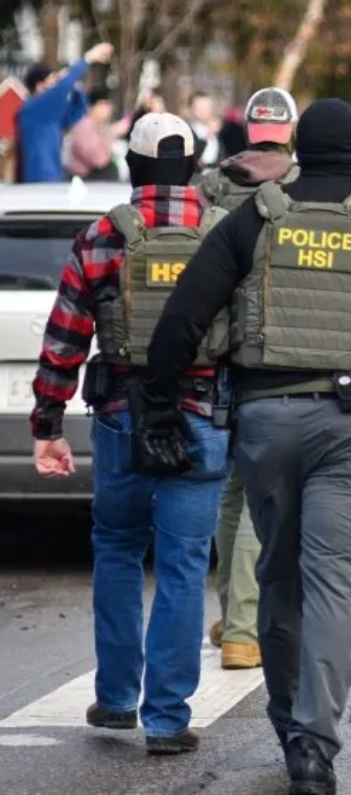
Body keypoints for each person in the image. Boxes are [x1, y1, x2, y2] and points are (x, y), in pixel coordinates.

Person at [141, 98, 351, 795]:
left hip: (266, 422)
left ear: (300, 150)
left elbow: (185, 314)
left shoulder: (256, 218)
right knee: (335, 583)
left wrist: (161, 403)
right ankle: (313, 746)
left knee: (280, 575)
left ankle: (287, 725)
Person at [30, 112, 232, 755]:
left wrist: (48, 423)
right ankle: (168, 719)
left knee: (118, 548)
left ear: (133, 167)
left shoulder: (100, 236)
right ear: (194, 165)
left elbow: (65, 339)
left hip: (121, 415)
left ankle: (117, 698)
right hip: (201, 417)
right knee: (184, 563)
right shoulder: (225, 234)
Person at [196, 86, 301, 671]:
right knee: (263, 488)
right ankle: (242, 627)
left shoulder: (211, 185)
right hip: (270, 352)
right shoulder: (298, 187)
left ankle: (229, 613)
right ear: (289, 131)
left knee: (232, 490)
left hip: (216, 352)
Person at [17, 42, 113, 182]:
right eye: (52, 81)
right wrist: (88, 58)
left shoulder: (49, 117)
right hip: (39, 179)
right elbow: (63, 87)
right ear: (39, 86)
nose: (56, 84)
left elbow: (79, 110)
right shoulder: (33, 108)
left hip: (54, 177)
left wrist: (75, 86)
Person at [65, 87, 119, 181]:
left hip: (92, 178)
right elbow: (99, 161)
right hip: (84, 179)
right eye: (103, 104)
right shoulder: (84, 127)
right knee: (110, 170)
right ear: (91, 107)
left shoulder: (97, 126)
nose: (108, 109)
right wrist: (112, 134)